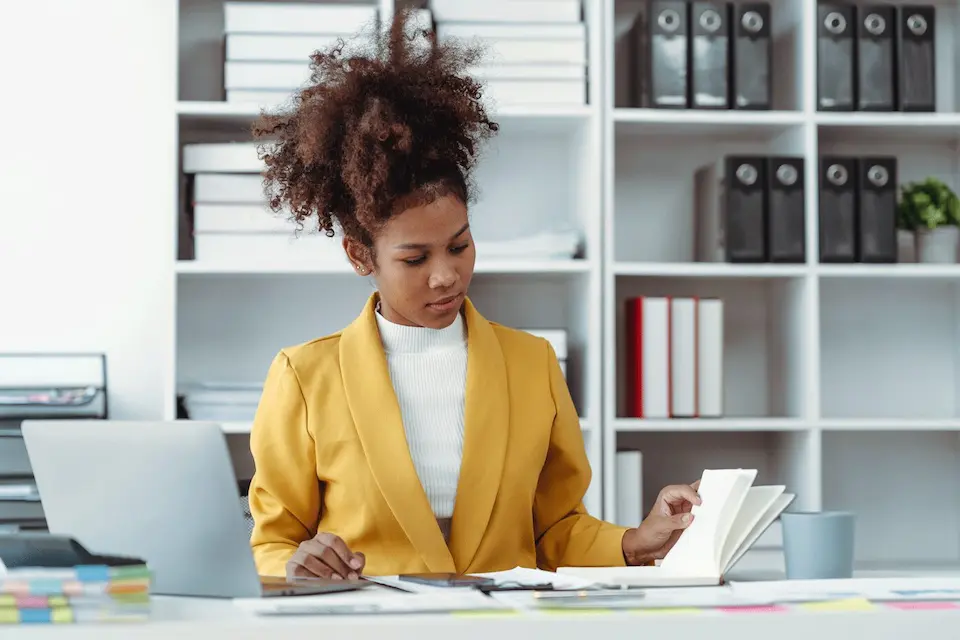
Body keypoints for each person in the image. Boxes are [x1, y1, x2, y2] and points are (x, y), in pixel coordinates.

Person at [246, 9, 700, 581]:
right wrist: (295, 562)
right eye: (415, 258)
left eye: (459, 246)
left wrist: (638, 540)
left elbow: (556, 530)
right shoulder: (304, 376)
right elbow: (274, 542)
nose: (446, 276)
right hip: (370, 625)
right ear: (360, 256)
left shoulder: (531, 364)